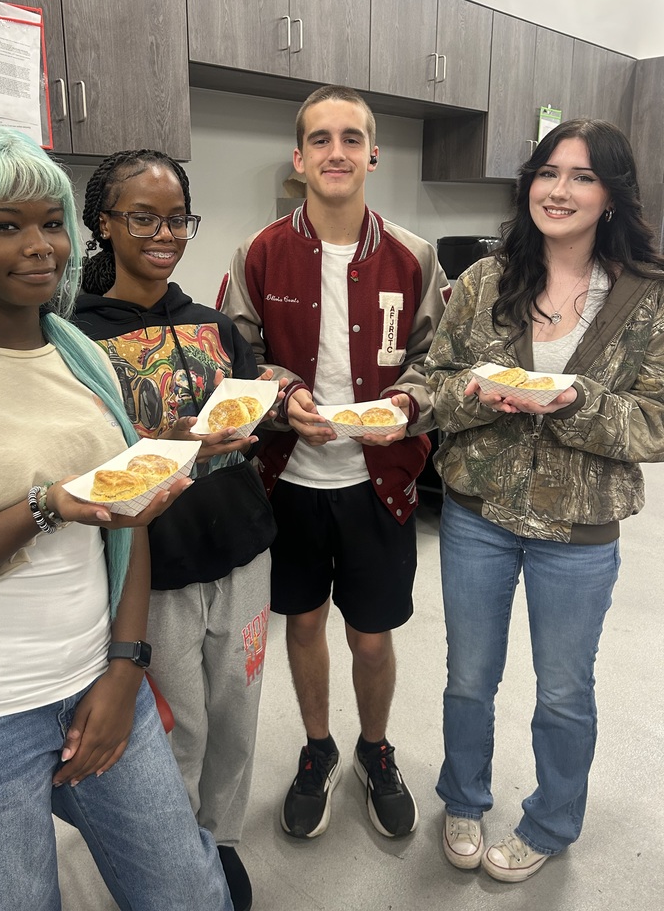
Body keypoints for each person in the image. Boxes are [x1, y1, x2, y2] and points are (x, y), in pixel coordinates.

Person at [0, 123, 232, 911]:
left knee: (189, 893)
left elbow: (125, 518)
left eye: (50, 223)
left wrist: (126, 668)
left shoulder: (81, 356)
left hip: (97, 683)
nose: (40, 246)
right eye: (5, 227)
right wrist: (45, 506)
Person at [425, 118, 664, 883]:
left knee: (564, 690)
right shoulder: (486, 281)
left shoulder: (648, 299)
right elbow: (435, 385)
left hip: (579, 527)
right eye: (548, 172)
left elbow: (655, 424)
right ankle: (463, 797)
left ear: (613, 195)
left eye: (583, 176)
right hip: (477, 512)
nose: (559, 191)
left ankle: (552, 821)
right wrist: (477, 394)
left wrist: (573, 398)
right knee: (469, 674)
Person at [220, 85, 449, 841]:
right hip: (287, 483)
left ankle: (373, 750)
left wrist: (405, 409)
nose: (336, 151)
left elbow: (436, 364)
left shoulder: (415, 256)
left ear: (372, 154)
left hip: (379, 484)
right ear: (300, 158)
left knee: (373, 637)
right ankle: (317, 749)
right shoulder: (257, 252)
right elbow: (238, 355)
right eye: (320, 139)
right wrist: (284, 394)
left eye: (351, 138)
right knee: (305, 622)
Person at [73, 149, 277, 911]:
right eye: (143, 217)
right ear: (104, 224)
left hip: (243, 550)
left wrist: (276, 406)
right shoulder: (74, 339)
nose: (164, 233)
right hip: (152, 570)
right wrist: (181, 440)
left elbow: (250, 410)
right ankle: (176, 851)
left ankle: (219, 838)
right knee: (178, 724)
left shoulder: (216, 326)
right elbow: (85, 464)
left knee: (238, 710)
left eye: (177, 219)